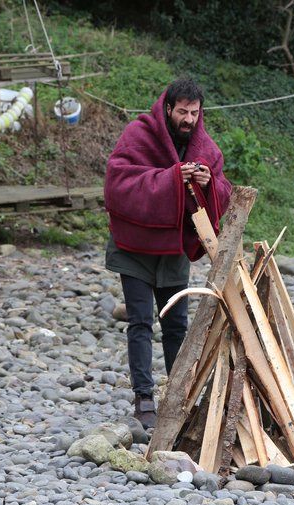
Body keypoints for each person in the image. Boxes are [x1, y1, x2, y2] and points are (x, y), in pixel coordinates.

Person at [104, 77, 232, 429]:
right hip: (134, 246)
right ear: (167, 109)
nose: (188, 119)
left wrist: (207, 184)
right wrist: (173, 178)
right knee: (141, 320)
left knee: (176, 324)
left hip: (173, 246)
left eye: (194, 112)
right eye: (182, 112)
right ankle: (144, 398)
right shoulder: (139, 134)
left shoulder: (205, 147)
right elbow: (118, 183)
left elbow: (224, 189)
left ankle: (179, 398)